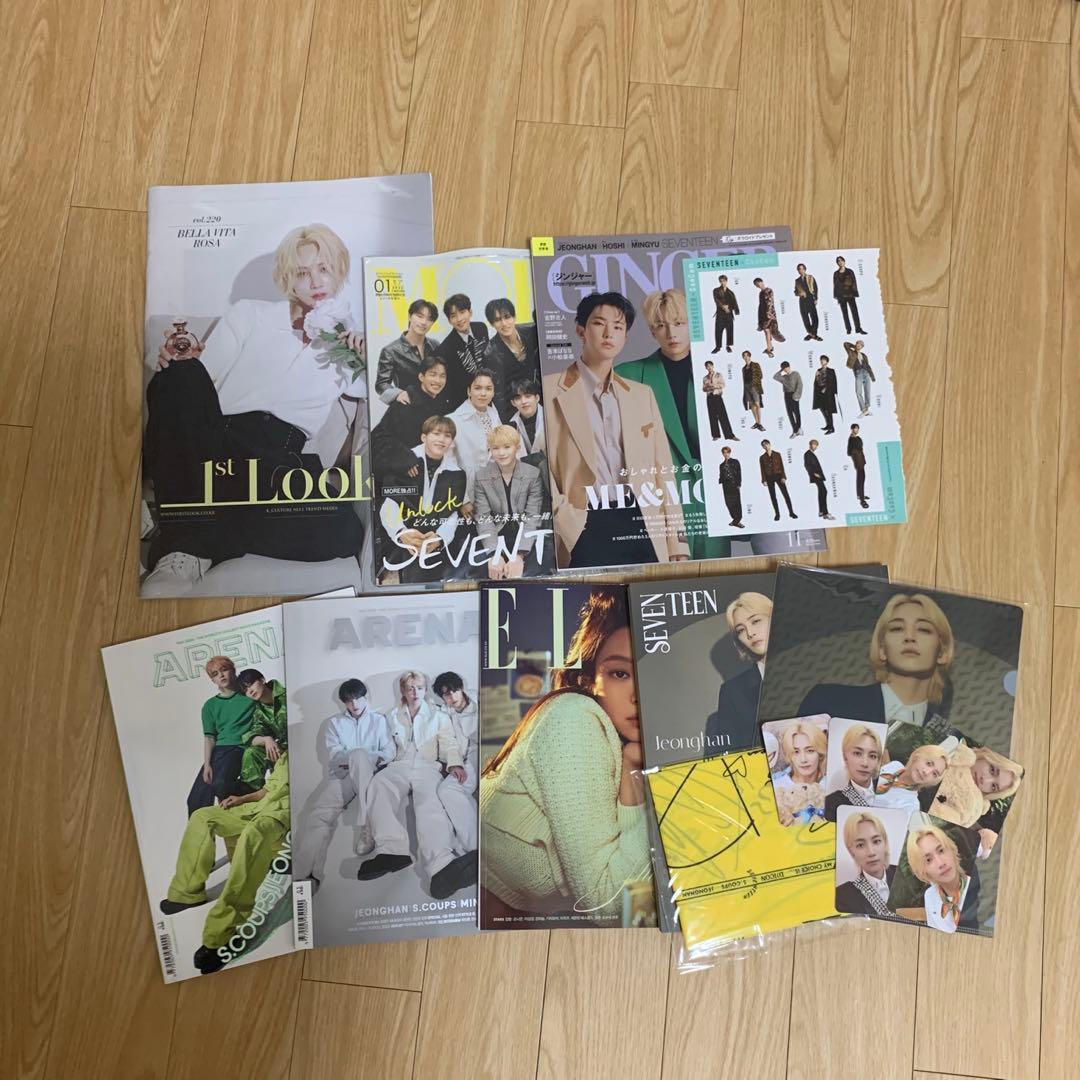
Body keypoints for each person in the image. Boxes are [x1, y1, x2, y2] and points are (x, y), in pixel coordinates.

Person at [142, 223, 365, 595]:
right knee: (178, 375)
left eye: (324, 269)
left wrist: (369, 351)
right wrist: (165, 358)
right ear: (288, 278)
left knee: (345, 530)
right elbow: (198, 380)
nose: (315, 281)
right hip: (219, 445)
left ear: (339, 271)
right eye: (303, 272)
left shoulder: (347, 345)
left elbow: (384, 391)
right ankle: (183, 551)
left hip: (278, 462)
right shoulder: (250, 314)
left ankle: (189, 525)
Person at [479, 590, 649, 924]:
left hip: (521, 925)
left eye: (650, 674)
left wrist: (633, 769)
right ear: (588, 679)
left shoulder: (623, 747)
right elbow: (605, 903)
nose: (638, 694)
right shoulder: (575, 717)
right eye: (620, 673)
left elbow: (629, 896)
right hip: (472, 904)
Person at [542, 291, 689, 568]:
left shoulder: (641, 395)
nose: (609, 333)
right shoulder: (548, 390)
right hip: (584, 525)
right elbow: (539, 471)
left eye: (618, 327)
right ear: (581, 330)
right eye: (599, 323)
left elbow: (663, 472)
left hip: (642, 522)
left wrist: (677, 542)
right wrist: (569, 523)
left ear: (625, 336)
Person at [617, 288, 732, 560]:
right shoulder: (627, 376)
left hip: (716, 488)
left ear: (693, 324)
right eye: (661, 325)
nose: (671, 333)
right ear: (652, 331)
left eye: (679, 323)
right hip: (663, 496)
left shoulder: (723, 369)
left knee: (718, 575)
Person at [160, 753, 291, 975]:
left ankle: (221, 935)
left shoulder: (319, 758)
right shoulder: (286, 757)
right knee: (202, 816)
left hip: (283, 814)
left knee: (254, 833)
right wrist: (241, 800)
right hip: (259, 807)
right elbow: (266, 791)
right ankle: (187, 893)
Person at [799, 591, 956, 764]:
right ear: (882, 649)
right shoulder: (827, 702)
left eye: (924, 630)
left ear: (942, 652)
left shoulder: (950, 744)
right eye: (897, 628)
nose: (909, 637)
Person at [359, 671, 475, 900]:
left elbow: (449, 742)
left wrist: (454, 764)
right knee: (379, 784)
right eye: (410, 688)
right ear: (403, 691)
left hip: (427, 765)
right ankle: (392, 852)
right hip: (399, 764)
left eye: (419, 688)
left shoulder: (438, 715)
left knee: (429, 803)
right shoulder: (392, 716)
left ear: (425, 690)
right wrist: (379, 761)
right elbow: (388, 746)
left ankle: (441, 865)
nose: (415, 692)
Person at [292, 679, 400, 888]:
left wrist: (363, 759)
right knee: (318, 815)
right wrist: (360, 758)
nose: (354, 704)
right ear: (344, 702)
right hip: (344, 777)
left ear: (365, 697)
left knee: (359, 755)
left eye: (357, 698)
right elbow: (335, 757)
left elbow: (389, 752)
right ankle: (302, 877)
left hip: (373, 775)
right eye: (349, 701)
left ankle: (367, 827)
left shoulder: (379, 720)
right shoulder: (334, 723)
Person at [377, 415, 468, 584]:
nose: (441, 439)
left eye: (447, 435)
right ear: (424, 437)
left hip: (434, 538)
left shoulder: (457, 474)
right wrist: (401, 532)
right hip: (402, 534)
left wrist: (440, 538)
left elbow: (452, 514)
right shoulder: (403, 462)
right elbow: (389, 504)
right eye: (436, 433)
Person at [472, 425, 546, 578]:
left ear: (517, 447)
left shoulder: (533, 474)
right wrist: (494, 553)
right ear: (490, 450)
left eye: (507, 447)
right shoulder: (481, 476)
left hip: (526, 534)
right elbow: (483, 518)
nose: (501, 453)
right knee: (481, 570)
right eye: (495, 448)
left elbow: (532, 516)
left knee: (535, 569)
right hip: (496, 534)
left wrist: (519, 554)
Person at [705, 592, 772, 756]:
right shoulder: (732, 691)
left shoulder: (811, 670)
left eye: (756, 621)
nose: (750, 633)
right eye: (741, 630)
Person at [187, 656, 255, 817]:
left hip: (239, 747)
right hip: (219, 751)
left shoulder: (250, 696)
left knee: (221, 785)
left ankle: (247, 799)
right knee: (195, 799)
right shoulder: (210, 706)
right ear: (213, 680)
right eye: (215, 674)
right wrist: (207, 765)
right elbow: (209, 738)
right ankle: (200, 832)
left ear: (233, 671)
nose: (221, 675)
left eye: (224, 670)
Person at [370, 355, 455, 474]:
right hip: (400, 474)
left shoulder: (441, 405)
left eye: (442, 376)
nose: (438, 380)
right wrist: (406, 459)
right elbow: (378, 438)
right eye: (433, 374)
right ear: (421, 377)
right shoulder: (405, 402)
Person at [433, 672, 479, 855]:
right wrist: (454, 764)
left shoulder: (482, 700)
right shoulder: (442, 714)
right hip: (462, 761)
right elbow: (447, 742)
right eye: (446, 694)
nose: (452, 697)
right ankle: (474, 847)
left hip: (486, 754)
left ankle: (474, 846)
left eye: (454, 691)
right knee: (447, 790)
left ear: (461, 688)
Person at [905, 821, 979, 932]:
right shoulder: (930, 896)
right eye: (928, 860)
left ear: (952, 849)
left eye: (941, 850)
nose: (941, 863)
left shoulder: (975, 886)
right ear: (923, 872)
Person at [447, 367, 503, 503]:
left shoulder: (494, 414)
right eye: (478, 388)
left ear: (493, 392)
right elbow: (447, 464)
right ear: (469, 391)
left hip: (494, 489)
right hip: (466, 492)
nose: (483, 393)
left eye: (488, 389)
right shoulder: (453, 420)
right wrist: (462, 500)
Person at [482, 298, 540, 419]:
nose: (504, 323)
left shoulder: (531, 332)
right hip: (516, 407)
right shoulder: (491, 353)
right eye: (497, 320)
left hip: (540, 398)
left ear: (514, 317)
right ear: (492, 324)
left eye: (507, 317)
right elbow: (499, 394)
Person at [374, 298, 440, 404]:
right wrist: (398, 394)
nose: (424, 322)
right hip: (407, 406)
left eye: (429, 319)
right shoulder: (390, 351)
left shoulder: (435, 345)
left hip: (434, 405)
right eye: (419, 316)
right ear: (409, 316)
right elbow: (381, 384)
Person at [835, 810, 897, 917]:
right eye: (860, 845)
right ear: (851, 852)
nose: (871, 852)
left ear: (885, 843)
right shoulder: (842, 895)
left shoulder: (906, 876)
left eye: (876, 841)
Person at [236, 668, 287, 788]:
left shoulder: (287, 695)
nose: (250, 691)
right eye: (246, 690)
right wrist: (266, 739)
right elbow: (251, 737)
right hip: (281, 751)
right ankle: (250, 791)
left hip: (302, 748)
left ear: (262, 680)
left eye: (251, 684)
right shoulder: (259, 711)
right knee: (251, 752)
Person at [436, 293, 490, 408]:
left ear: (470, 312)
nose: (459, 319)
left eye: (462, 312)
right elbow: (451, 387)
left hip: (489, 393)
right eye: (453, 316)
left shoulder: (481, 328)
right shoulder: (445, 349)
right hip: (464, 402)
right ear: (449, 320)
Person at [771, 720, 827, 825]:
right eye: (796, 752)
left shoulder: (832, 786)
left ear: (820, 753)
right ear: (789, 755)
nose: (803, 759)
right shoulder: (776, 786)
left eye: (810, 750)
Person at [824, 723, 883, 821]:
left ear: (878, 760)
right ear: (845, 757)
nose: (865, 763)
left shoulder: (888, 789)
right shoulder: (831, 804)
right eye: (857, 753)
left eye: (872, 756)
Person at [759, 440, 797, 521]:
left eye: (766, 444)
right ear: (762, 447)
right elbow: (762, 470)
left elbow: (782, 466)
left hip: (779, 476)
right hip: (769, 477)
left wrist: (783, 477)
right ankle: (777, 514)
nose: (765, 446)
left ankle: (791, 512)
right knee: (773, 496)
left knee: (786, 495)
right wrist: (764, 480)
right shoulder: (762, 457)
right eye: (763, 445)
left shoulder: (777, 454)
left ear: (769, 444)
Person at [701, 360, 737, 441]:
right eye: (707, 366)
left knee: (723, 415)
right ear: (706, 368)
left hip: (717, 396)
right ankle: (715, 435)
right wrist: (707, 387)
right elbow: (703, 389)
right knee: (712, 416)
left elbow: (723, 385)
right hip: (709, 397)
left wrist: (714, 386)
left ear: (713, 366)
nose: (709, 367)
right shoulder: (705, 378)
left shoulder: (718, 375)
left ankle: (729, 435)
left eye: (710, 366)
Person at [833, 256, 866, 335]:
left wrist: (854, 293)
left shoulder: (850, 271)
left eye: (841, 260)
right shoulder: (836, 273)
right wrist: (837, 296)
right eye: (838, 261)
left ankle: (858, 329)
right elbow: (835, 285)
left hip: (850, 295)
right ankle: (848, 329)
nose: (840, 262)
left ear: (844, 261)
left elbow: (854, 282)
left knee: (855, 312)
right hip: (841, 296)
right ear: (837, 263)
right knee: (845, 313)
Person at [753, 277, 785, 356]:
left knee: (768, 330)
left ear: (761, 282)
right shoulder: (760, 293)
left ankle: (769, 349)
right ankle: (770, 347)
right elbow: (761, 305)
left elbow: (770, 302)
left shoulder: (769, 290)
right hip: (763, 314)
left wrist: (769, 313)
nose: (757, 286)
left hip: (770, 314)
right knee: (767, 331)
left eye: (758, 284)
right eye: (756, 285)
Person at [844, 340, 875, 416]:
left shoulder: (864, 355)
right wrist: (854, 346)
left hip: (866, 373)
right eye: (857, 343)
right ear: (856, 344)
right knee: (858, 392)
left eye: (860, 345)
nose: (858, 345)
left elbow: (868, 366)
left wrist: (872, 376)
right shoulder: (851, 352)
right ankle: (863, 409)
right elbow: (845, 344)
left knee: (867, 391)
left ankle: (866, 409)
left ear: (862, 347)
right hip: (858, 373)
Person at [803, 439, 833, 519]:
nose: (815, 446)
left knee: (822, 492)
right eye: (814, 445)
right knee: (824, 491)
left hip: (819, 475)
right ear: (810, 445)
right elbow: (807, 465)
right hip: (816, 476)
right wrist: (813, 473)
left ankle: (821, 512)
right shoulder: (807, 454)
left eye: (816, 445)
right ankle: (825, 513)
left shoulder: (812, 454)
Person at [772, 361, 803, 436]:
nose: (785, 370)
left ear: (789, 367)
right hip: (786, 395)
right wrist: (781, 370)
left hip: (794, 394)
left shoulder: (796, 374)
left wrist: (797, 396)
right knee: (790, 413)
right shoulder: (784, 377)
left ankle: (799, 428)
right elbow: (775, 377)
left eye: (786, 368)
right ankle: (795, 431)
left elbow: (800, 385)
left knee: (796, 413)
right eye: (783, 368)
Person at [711, 273, 739, 353]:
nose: (722, 282)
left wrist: (735, 310)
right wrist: (723, 307)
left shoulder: (730, 292)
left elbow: (734, 302)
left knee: (729, 330)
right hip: (720, 313)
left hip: (729, 313)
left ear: (726, 281)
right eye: (721, 281)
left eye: (724, 281)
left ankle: (728, 346)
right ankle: (718, 347)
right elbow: (716, 300)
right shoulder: (716, 290)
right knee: (718, 330)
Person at [717, 446, 743, 528]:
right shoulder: (721, 465)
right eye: (724, 452)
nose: (726, 454)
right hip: (726, 485)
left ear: (729, 452)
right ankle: (735, 520)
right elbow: (721, 474)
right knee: (728, 503)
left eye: (727, 452)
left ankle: (737, 520)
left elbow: (739, 473)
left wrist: (738, 484)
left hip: (734, 484)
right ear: (722, 454)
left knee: (736, 503)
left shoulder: (735, 461)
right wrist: (720, 480)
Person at [794, 263, 821, 341]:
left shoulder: (810, 277)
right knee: (805, 318)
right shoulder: (797, 280)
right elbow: (795, 291)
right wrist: (799, 293)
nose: (801, 270)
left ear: (805, 269)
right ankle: (811, 334)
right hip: (802, 300)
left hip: (810, 299)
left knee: (814, 318)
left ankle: (813, 334)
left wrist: (816, 299)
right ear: (798, 271)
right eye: (799, 269)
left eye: (802, 268)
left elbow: (815, 288)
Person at [813, 355, 838, 434]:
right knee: (823, 409)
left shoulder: (831, 370)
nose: (822, 361)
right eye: (821, 360)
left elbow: (834, 382)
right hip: (820, 393)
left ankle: (832, 428)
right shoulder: (818, 370)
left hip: (828, 394)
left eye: (823, 360)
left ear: (827, 362)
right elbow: (816, 382)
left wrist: (834, 392)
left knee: (829, 410)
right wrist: (817, 376)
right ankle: (828, 425)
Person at [741, 350, 765, 431]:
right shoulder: (743, 368)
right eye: (744, 356)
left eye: (747, 355)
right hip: (746, 387)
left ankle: (759, 423)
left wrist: (753, 384)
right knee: (751, 405)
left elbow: (760, 375)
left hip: (754, 386)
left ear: (749, 356)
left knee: (757, 404)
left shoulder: (755, 365)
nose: (745, 357)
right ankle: (757, 422)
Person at [848, 423, 868, 508]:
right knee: (861, 479)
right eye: (854, 428)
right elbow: (849, 452)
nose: (856, 430)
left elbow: (860, 448)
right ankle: (862, 500)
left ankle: (860, 495)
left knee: (861, 478)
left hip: (861, 459)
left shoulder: (857, 438)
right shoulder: (851, 439)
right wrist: (855, 456)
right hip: (858, 460)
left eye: (857, 428)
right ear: (852, 429)